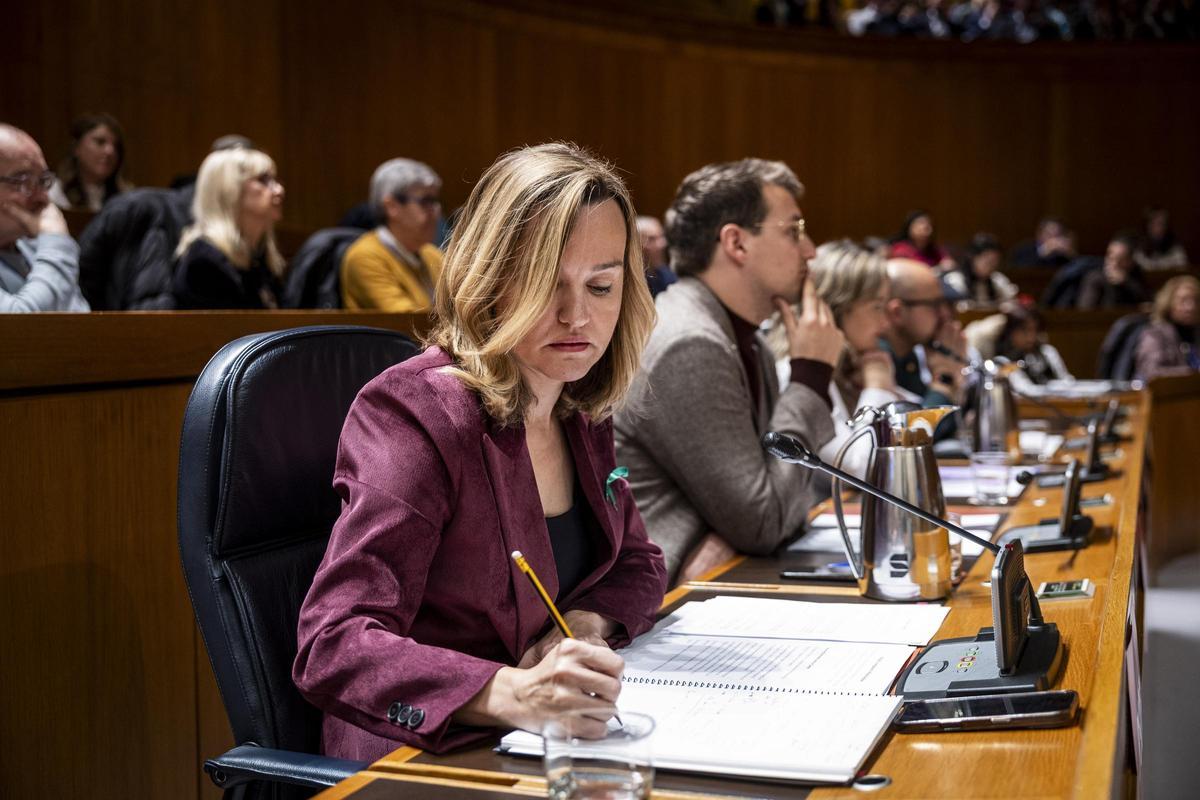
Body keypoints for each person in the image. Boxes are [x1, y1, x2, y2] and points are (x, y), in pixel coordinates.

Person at [293, 143, 667, 760]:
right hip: (425, 756)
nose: (577, 316)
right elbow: (334, 644)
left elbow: (638, 561)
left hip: (553, 743)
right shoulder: (413, 413)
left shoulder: (578, 402)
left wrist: (582, 627)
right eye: (548, 283)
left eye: (601, 286)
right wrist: (512, 692)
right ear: (490, 279)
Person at [614, 158, 844, 586]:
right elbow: (765, 522)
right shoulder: (689, 343)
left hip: (720, 580)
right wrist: (810, 374)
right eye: (793, 230)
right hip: (666, 609)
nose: (811, 249)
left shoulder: (745, 338)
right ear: (737, 243)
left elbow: (793, 500)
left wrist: (738, 531)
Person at [768, 240, 910, 479]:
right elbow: (860, 469)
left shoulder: (845, 370)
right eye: (876, 307)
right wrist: (878, 388)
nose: (885, 324)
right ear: (836, 308)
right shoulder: (793, 374)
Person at [172, 148, 286, 309]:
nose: (279, 190)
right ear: (230, 190)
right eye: (263, 180)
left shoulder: (260, 258)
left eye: (275, 180)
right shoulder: (203, 263)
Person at [0, 124, 89, 312]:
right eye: (23, 181)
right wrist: (57, 243)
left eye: (43, 181)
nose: (43, 198)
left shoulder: (34, 248)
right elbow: (19, 330)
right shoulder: (51, 248)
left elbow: (80, 323)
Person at [340, 158, 444, 313]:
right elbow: (408, 321)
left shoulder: (432, 254)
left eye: (435, 201)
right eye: (426, 201)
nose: (436, 212)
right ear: (392, 206)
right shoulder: (365, 256)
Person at [881, 258, 966, 411]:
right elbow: (910, 431)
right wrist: (944, 378)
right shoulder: (877, 357)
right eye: (934, 305)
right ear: (897, 312)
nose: (945, 314)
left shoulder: (909, 354)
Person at [49, 113, 131, 213]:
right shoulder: (54, 192)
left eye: (116, 146)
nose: (110, 151)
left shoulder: (127, 198)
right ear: (76, 147)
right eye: (100, 142)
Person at [1134, 275, 1200, 380]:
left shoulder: (1197, 333)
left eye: (1196, 300)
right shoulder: (1154, 334)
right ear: (1169, 303)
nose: (1190, 307)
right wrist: (1192, 373)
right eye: (1183, 300)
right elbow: (1152, 372)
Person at [994, 303, 1073, 387]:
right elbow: (1020, 388)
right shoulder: (1003, 359)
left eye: (1035, 330)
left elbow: (1066, 381)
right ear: (1011, 332)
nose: (1031, 337)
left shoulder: (1047, 352)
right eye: (1024, 330)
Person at [1076, 234, 1151, 310]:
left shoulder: (1135, 275)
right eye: (1111, 257)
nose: (1114, 263)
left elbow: (1148, 302)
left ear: (1130, 261)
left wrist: (1126, 282)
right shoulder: (1095, 277)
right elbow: (1086, 311)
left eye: (1121, 259)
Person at [942, 233, 1018, 306]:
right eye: (987, 261)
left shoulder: (998, 280)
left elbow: (1012, 301)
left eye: (995, 262)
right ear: (972, 257)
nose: (992, 266)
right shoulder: (955, 281)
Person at [888, 210, 954, 272]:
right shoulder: (900, 249)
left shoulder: (934, 250)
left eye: (928, 224)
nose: (925, 227)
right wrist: (937, 269)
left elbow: (948, 262)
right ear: (909, 228)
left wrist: (947, 264)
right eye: (920, 223)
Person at [1133, 207, 1189, 271]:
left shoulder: (1176, 249)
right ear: (1146, 226)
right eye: (1153, 224)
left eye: (1161, 224)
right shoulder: (1138, 250)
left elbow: (1183, 271)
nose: (1158, 228)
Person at [1010, 217, 1076, 268]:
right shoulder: (1024, 249)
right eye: (1049, 234)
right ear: (1039, 234)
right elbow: (1020, 270)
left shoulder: (1061, 254)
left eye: (1057, 235)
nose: (1053, 239)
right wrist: (1043, 252)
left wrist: (1070, 254)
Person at [635, 215, 677, 297]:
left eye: (661, 236)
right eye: (652, 239)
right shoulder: (625, 281)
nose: (662, 244)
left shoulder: (667, 275)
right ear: (634, 244)